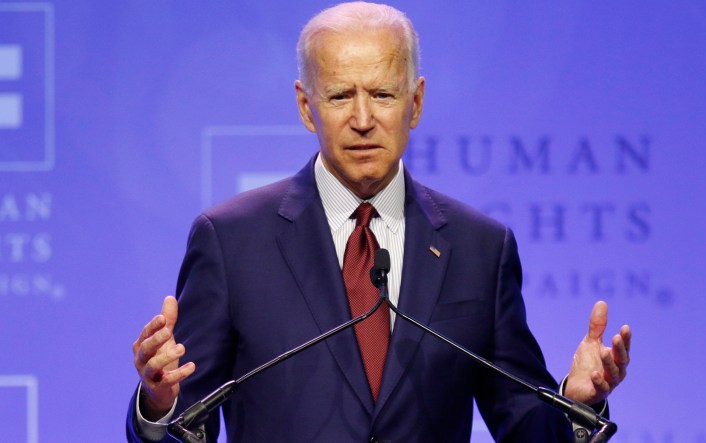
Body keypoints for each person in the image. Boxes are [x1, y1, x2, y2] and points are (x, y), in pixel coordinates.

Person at [127, 2, 631, 442]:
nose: (364, 119)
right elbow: (185, 425)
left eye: (384, 95)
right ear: (307, 107)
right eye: (341, 95)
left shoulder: (480, 248)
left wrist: (577, 403)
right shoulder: (232, 241)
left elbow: (524, 423)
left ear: (416, 102)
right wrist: (159, 405)